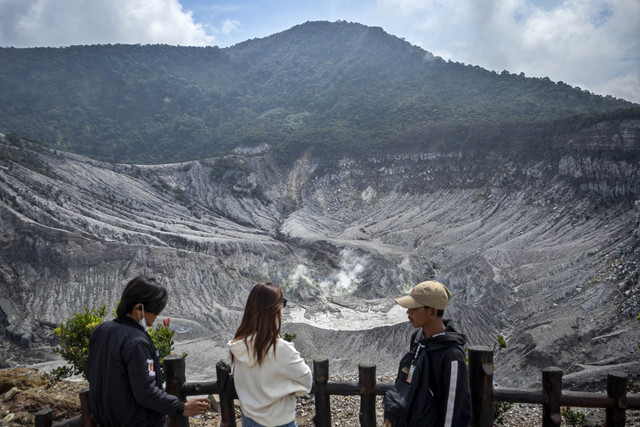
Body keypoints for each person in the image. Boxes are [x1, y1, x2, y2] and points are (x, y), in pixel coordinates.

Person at [87, 276, 209, 426]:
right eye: (156, 311)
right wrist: (182, 408)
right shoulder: (137, 342)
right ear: (138, 308)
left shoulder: (100, 330)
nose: (157, 316)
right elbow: (145, 393)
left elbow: (92, 374)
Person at [384, 280, 472, 427]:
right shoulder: (418, 338)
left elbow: (454, 411)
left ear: (432, 312)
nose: (408, 312)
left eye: (414, 308)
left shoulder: (452, 356)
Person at [229, 282, 312, 427]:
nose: (283, 308)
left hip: (249, 420)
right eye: (282, 303)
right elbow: (307, 382)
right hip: (280, 422)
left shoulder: (238, 346)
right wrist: (287, 387)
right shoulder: (282, 349)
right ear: (274, 309)